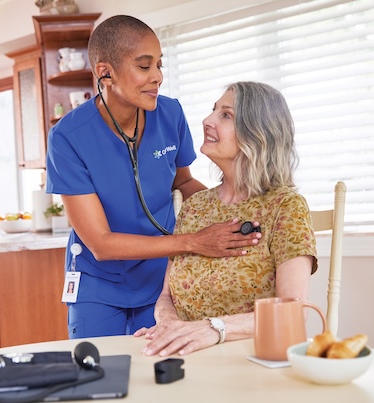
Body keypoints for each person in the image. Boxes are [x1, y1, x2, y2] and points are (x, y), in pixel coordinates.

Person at [45, 16, 260, 339]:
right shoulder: (68, 137)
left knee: (161, 372)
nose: (157, 77)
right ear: (105, 72)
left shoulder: (169, 113)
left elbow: (184, 183)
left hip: (159, 280)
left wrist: (234, 214)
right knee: (102, 375)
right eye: (144, 67)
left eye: (159, 65)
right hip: (98, 284)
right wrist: (194, 241)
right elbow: (100, 244)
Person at [135, 81, 318, 356]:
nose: (207, 121)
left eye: (226, 115)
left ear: (257, 135)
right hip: (186, 355)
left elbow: (293, 312)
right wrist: (170, 325)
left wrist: (212, 328)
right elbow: (166, 296)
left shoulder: (286, 207)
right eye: (213, 111)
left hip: (249, 360)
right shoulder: (193, 207)